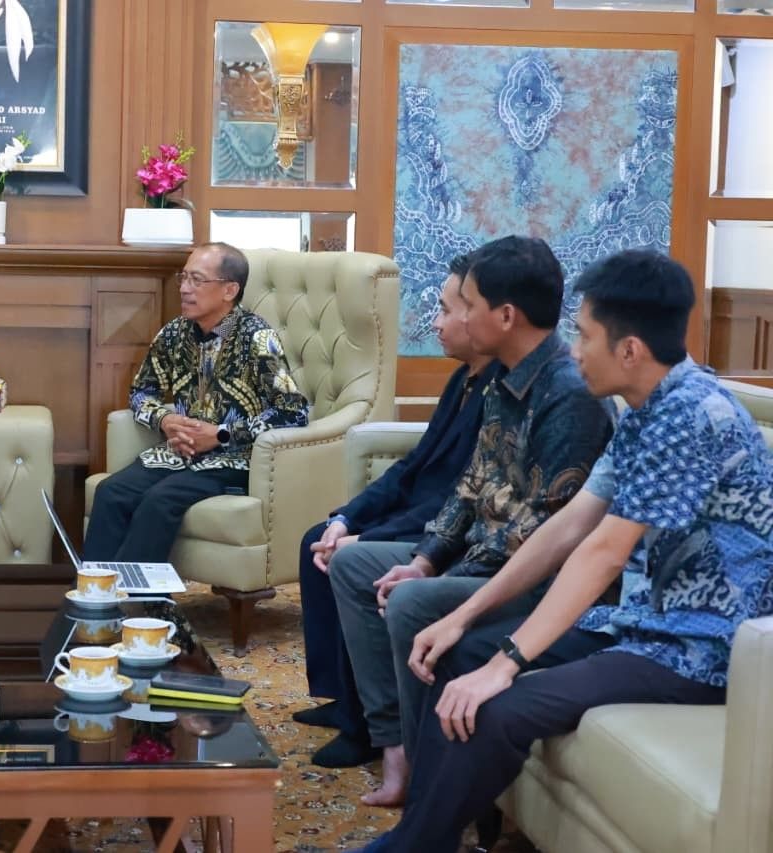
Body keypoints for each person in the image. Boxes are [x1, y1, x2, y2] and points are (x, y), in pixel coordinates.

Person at [353, 249, 773, 853]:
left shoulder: (690, 415)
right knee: (457, 653)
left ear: (629, 350)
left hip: (698, 649)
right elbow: (569, 526)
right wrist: (463, 617)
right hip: (641, 623)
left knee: (497, 704)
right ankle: (431, 836)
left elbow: (603, 552)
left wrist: (507, 662)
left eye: (585, 336)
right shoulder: (650, 406)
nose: (574, 351)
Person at [330, 235, 615, 805]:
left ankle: (429, 783)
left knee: (411, 602)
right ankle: (394, 741)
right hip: (481, 558)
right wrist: (423, 560)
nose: (455, 317)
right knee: (354, 565)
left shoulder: (569, 396)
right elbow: (470, 485)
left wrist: (438, 576)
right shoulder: (502, 379)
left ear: (505, 316)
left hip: (534, 579)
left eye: (467, 304)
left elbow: (543, 531)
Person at [295, 252, 502, 769]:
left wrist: (365, 539)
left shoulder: (500, 391)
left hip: (446, 530)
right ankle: (345, 698)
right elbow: (412, 468)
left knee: (345, 558)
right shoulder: (463, 379)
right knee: (316, 538)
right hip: (418, 513)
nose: (435, 322)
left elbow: (457, 498)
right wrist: (347, 517)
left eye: (446, 309)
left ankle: (366, 725)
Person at [84, 242, 309, 563]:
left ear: (229, 290)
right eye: (184, 278)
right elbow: (141, 392)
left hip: (235, 459)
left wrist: (221, 434)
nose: (184, 288)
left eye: (197, 280)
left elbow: (293, 412)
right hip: (178, 453)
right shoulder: (174, 332)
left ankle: (142, 593)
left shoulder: (257, 337)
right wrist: (164, 420)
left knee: (159, 500)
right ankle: (96, 591)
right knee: (111, 492)